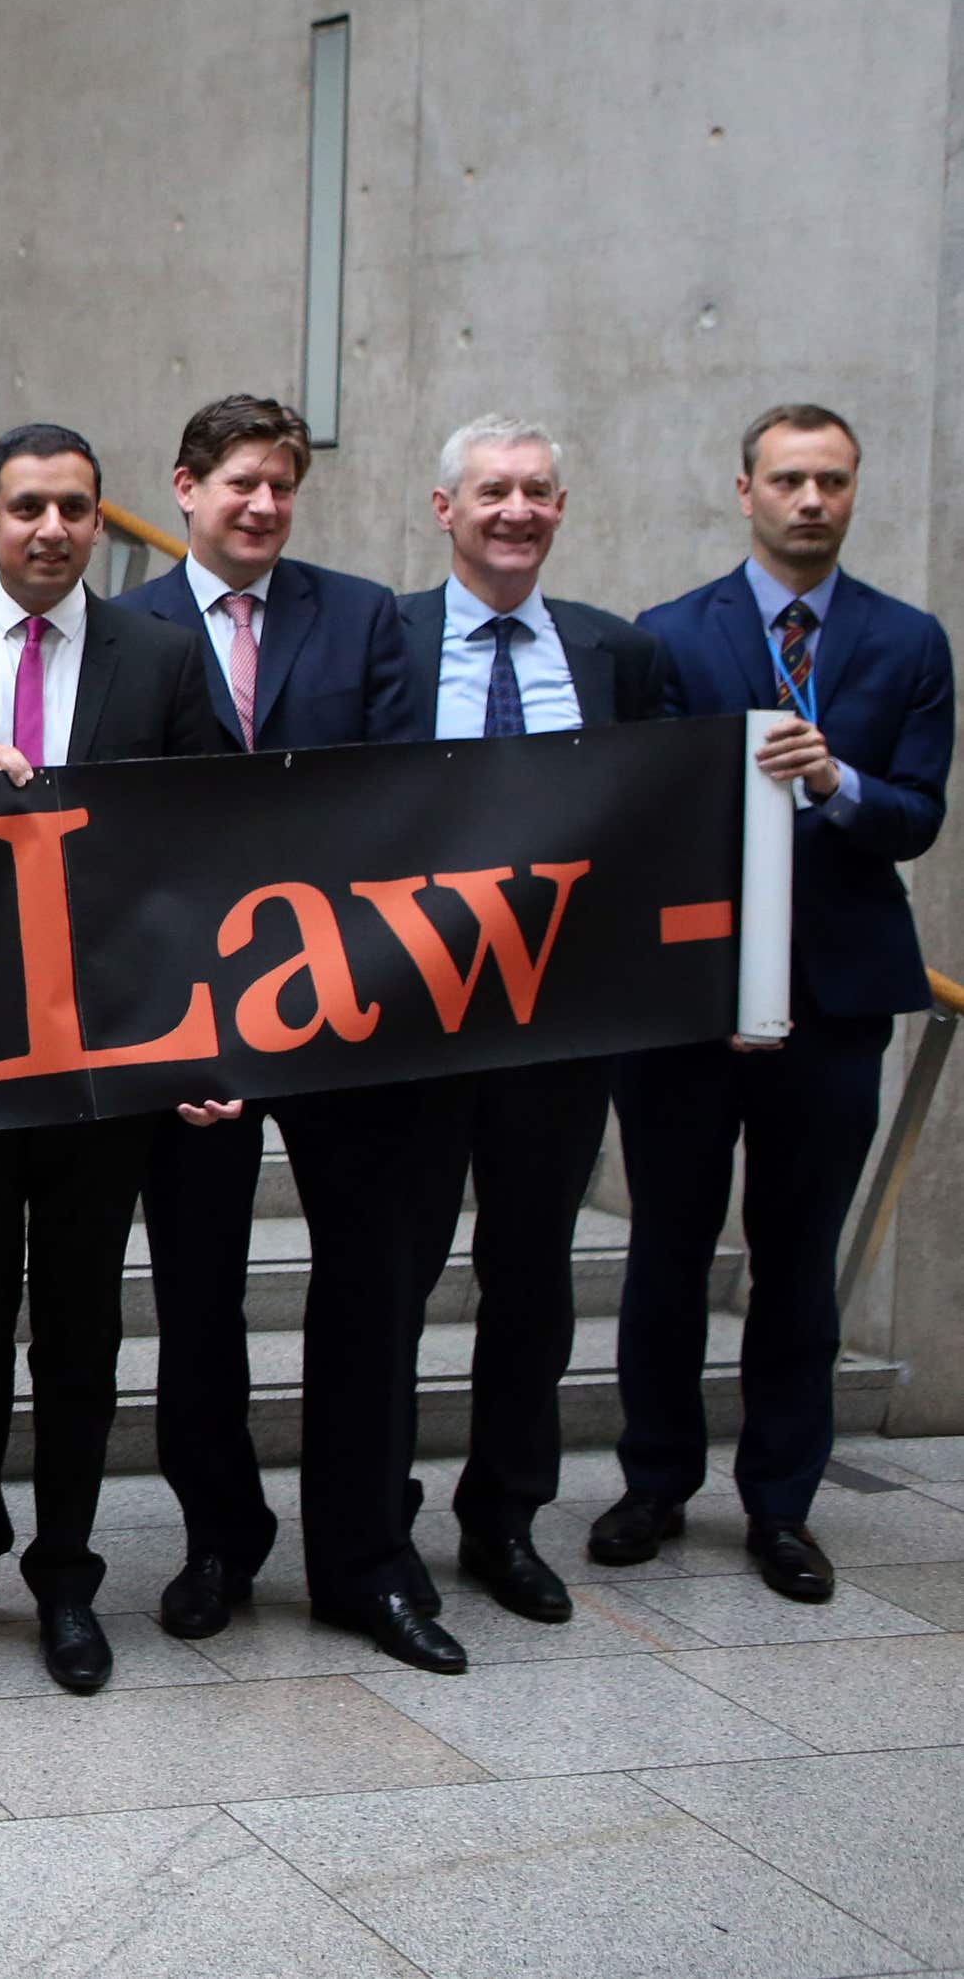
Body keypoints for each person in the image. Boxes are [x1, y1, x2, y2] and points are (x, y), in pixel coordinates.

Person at [0, 422, 226, 1693]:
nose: (52, 529)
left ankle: (66, 1579)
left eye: (75, 507)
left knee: (79, 1328)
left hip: (109, 1054)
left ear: (102, 521)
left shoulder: (165, 658)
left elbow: (214, 850)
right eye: (27, 507)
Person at [601, 402, 952, 1603]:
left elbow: (919, 814)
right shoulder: (665, 637)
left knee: (798, 1260)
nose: (812, 500)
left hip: (839, 998)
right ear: (743, 489)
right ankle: (653, 1482)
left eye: (833, 482)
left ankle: (785, 1504)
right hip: (690, 1002)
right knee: (666, 1249)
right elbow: (640, 814)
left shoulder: (910, 644)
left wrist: (841, 780)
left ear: (855, 494)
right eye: (790, 479)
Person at [105, 393, 433, 1662]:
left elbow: (404, 805)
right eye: (240, 482)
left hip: (350, 1011)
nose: (262, 506)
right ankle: (217, 1539)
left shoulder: (362, 616)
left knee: (372, 1287)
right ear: (184, 487)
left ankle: (365, 1554)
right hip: (191, 1021)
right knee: (198, 1293)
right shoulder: (125, 630)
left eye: (281, 487)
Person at [379, 415, 671, 1632]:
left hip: (557, 1026)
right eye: (492, 491)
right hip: (404, 1023)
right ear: (443, 509)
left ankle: (504, 1515)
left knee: (534, 1278)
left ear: (562, 510)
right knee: (391, 1278)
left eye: (538, 493)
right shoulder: (379, 640)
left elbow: (657, 814)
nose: (516, 511)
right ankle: (374, 1522)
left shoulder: (617, 653)